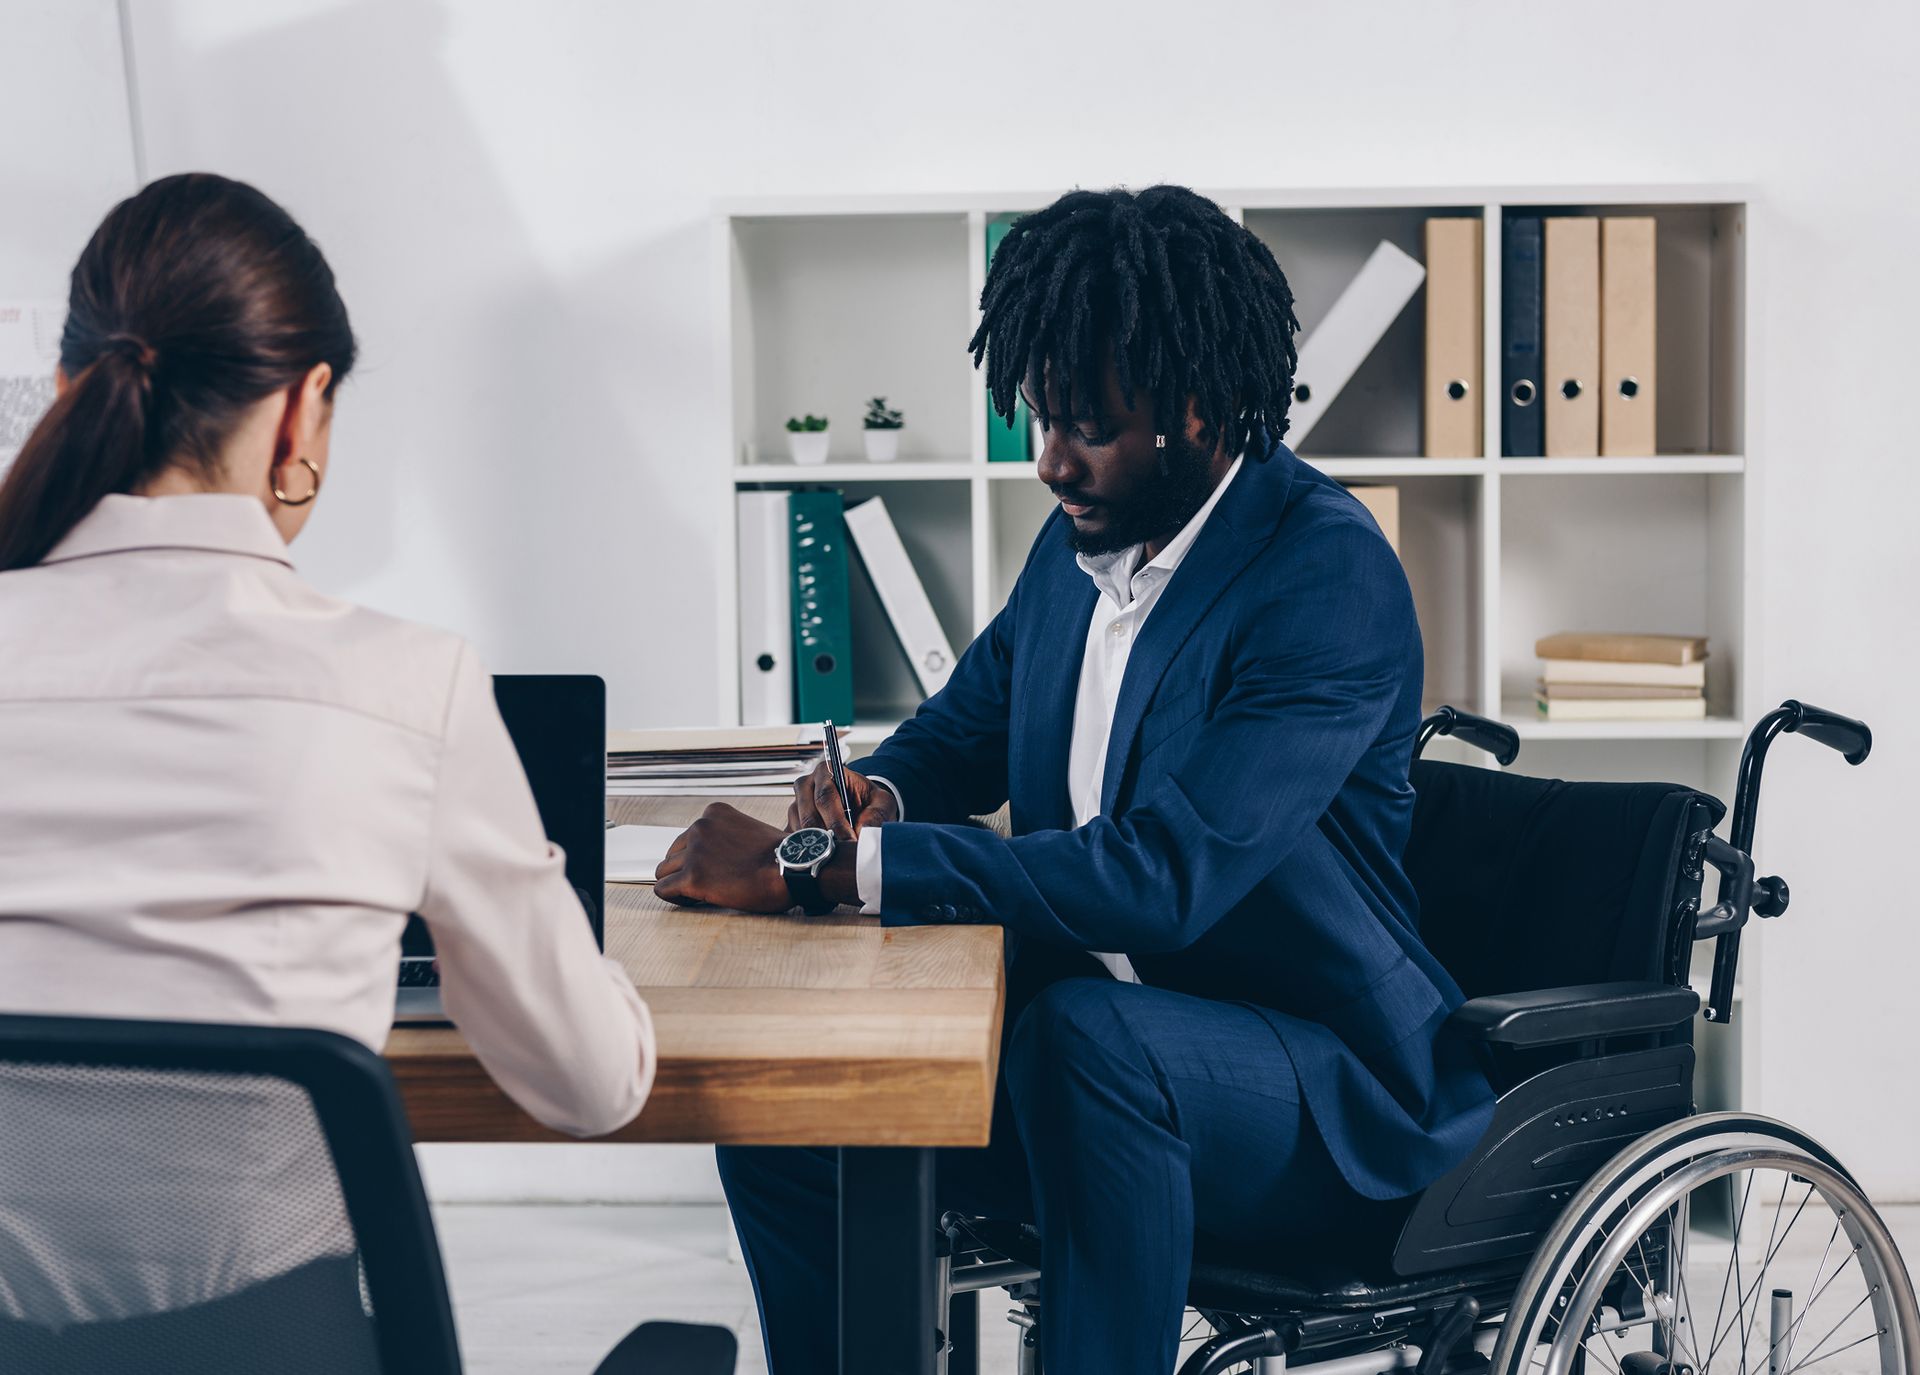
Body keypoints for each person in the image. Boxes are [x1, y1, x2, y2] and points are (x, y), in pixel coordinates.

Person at [657, 185, 1497, 1373]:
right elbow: (963, 733)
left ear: (1197, 408)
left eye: (1087, 425)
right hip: (1092, 1052)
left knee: (1087, 1043)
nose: (1050, 459)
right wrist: (873, 800)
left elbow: (1164, 875)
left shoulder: (1324, 576)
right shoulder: (1086, 542)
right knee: (791, 1102)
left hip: (1322, 1094)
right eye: (1042, 418)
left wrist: (827, 872)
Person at [0, 174, 654, 1343]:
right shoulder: (401, 684)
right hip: (268, 1346)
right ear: (302, 410)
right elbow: (590, 1087)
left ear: (67, 390)